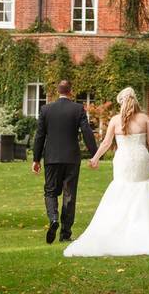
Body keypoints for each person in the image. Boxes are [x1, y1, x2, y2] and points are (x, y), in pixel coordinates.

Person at [62, 86, 149, 257]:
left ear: (121, 102)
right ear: (135, 100)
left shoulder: (116, 120)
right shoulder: (144, 119)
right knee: (143, 188)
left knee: (121, 188)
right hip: (140, 159)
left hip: (123, 160)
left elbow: (106, 143)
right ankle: (145, 228)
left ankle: (120, 228)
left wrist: (95, 158)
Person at [32, 80, 98, 244]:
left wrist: (36, 159)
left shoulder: (46, 109)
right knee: (69, 194)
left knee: (50, 191)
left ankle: (53, 218)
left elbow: (40, 135)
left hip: (52, 158)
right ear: (71, 91)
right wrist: (95, 154)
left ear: (57, 91)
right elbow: (86, 131)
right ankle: (65, 234)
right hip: (71, 158)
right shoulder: (77, 109)